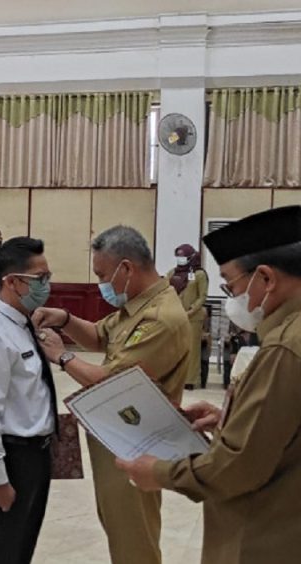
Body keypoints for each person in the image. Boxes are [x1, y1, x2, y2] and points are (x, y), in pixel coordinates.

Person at [117, 205, 301, 564]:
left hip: (267, 536)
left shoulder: (284, 348)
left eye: (231, 285)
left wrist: (158, 473)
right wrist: (231, 418)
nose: (232, 297)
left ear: (266, 278)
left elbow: (238, 468)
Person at [33, 225, 191, 564]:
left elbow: (109, 380)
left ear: (127, 268)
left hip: (137, 443)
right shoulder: (138, 305)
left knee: (134, 541)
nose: (101, 283)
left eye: (103, 275)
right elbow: (98, 336)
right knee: (121, 533)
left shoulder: (160, 318)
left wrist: (62, 356)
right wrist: (65, 318)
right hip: (118, 439)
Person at [0, 237, 57, 563]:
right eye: (39, 278)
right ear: (11, 282)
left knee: (23, 546)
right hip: (14, 458)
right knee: (3, 549)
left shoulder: (24, 324)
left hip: (37, 455)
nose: (46, 285)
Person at [167, 244, 209, 389]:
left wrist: (191, 311)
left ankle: (190, 380)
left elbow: (202, 296)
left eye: (183, 256)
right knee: (174, 349)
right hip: (174, 317)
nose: (180, 259)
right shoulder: (172, 273)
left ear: (191, 257)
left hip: (193, 318)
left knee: (192, 349)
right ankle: (175, 379)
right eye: (178, 256)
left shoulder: (199, 274)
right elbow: (165, 291)